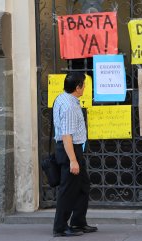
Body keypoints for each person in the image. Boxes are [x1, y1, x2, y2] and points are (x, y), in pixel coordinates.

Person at [52, 72, 98, 237]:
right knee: (68, 190)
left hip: (71, 149)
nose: (85, 87)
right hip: (70, 150)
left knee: (83, 186)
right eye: (84, 85)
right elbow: (66, 136)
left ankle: (78, 222)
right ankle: (60, 227)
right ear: (77, 88)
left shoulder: (62, 98)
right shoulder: (70, 106)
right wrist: (73, 160)